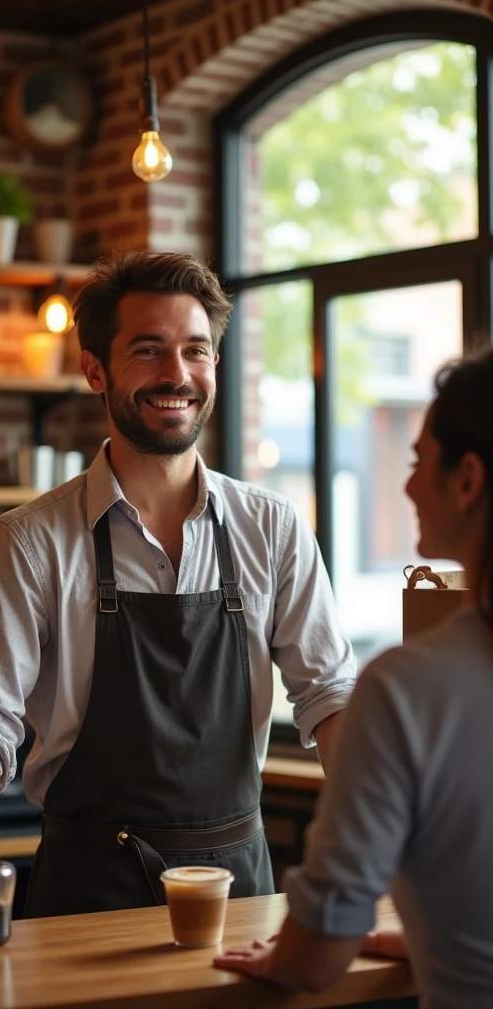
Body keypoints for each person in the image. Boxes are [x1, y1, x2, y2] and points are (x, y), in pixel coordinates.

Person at [0, 249, 356, 918]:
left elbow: (329, 696)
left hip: (241, 898)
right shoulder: (29, 541)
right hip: (87, 898)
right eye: (148, 350)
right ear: (96, 368)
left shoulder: (272, 527)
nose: (177, 374)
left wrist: (400, 829)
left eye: (197, 351)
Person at [214, 346, 493, 1009]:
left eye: (419, 461)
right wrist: (426, 940)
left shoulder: (409, 688)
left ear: (467, 480)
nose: (405, 487)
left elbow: (314, 960)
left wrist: (293, 952)